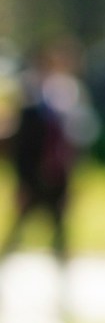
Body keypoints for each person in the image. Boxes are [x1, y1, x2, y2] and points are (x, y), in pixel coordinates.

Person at [1, 39, 95, 260]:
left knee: (60, 226)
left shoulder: (67, 98)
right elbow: (22, 147)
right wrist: (22, 181)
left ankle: (62, 268)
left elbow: (77, 139)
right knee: (20, 224)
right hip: (34, 175)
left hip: (58, 174)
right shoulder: (29, 103)